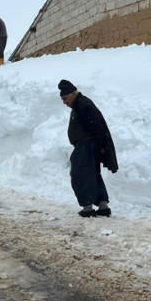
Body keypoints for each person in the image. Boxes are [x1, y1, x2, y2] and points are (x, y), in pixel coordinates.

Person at [58, 79, 118, 218]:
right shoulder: (80, 104)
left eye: (65, 98)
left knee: (80, 174)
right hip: (87, 145)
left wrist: (101, 146)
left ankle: (88, 207)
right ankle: (102, 205)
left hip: (87, 146)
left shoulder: (83, 104)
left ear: (73, 94)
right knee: (92, 174)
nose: (64, 102)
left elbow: (97, 125)